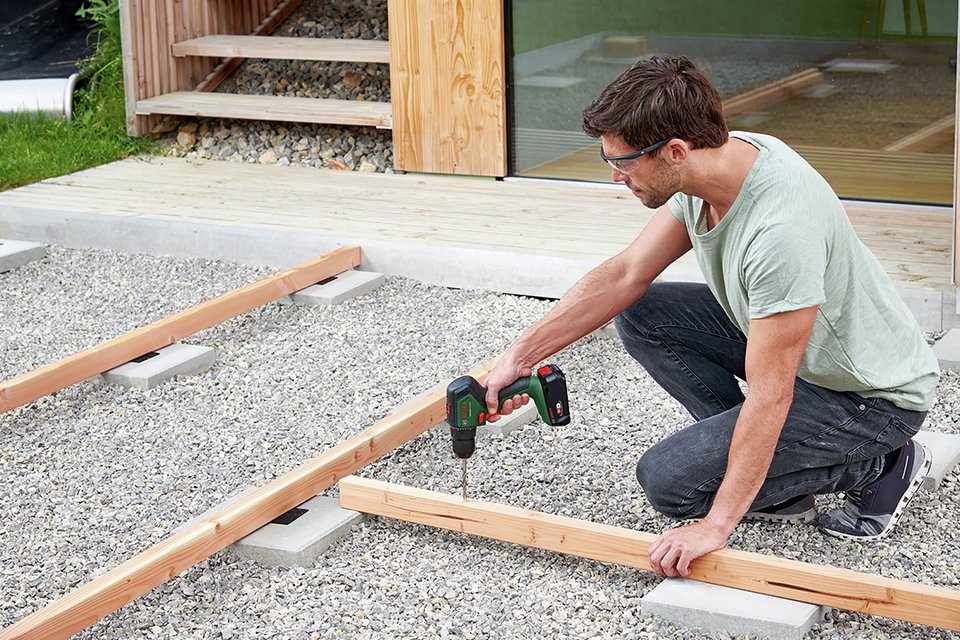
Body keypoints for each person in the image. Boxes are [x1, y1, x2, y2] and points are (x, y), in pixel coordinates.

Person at [484, 56, 939, 578]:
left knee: (670, 483)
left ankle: (882, 464)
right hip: (805, 360)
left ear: (675, 151)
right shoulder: (713, 162)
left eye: (624, 162)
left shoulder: (780, 232)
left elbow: (773, 394)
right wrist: (519, 356)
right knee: (646, 313)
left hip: (868, 397)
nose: (615, 175)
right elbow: (627, 274)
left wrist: (717, 524)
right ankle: (769, 463)